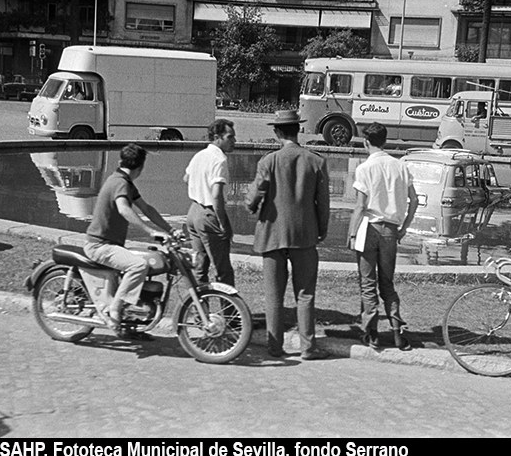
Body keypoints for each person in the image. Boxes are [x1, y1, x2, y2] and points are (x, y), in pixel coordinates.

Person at [245, 109, 331, 360]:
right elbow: (323, 204)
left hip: (272, 234)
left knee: (274, 296)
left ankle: (274, 347)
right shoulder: (316, 161)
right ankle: (308, 347)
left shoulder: (268, 161)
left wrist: (251, 205)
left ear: (277, 132)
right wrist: (321, 229)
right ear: (298, 130)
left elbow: (254, 196)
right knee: (305, 294)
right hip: (304, 234)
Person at [83, 143, 178, 339]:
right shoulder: (120, 183)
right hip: (100, 245)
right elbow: (124, 209)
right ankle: (115, 309)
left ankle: (132, 322)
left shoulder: (123, 181)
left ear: (121, 161)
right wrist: (150, 232)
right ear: (140, 167)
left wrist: (170, 230)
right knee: (138, 265)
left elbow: (147, 209)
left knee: (144, 262)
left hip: (109, 244)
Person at [347, 122, 418, 350]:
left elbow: (360, 206)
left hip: (369, 227)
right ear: (385, 141)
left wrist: (352, 233)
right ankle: (397, 331)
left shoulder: (364, 168)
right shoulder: (401, 166)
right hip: (391, 229)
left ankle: (372, 333)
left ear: (366, 142)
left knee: (368, 283)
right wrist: (404, 227)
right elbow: (414, 200)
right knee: (387, 282)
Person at [183, 119, 237, 286]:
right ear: (216, 137)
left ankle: (198, 302)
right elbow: (216, 195)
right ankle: (229, 303)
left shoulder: (199, 155)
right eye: (230, 137)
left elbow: (186, 178)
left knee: (200, 268)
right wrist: (223, 223)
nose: (234, 141)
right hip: (209, 215)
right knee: (223, 269)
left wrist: (199, 187)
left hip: (193, 212)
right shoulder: (219, 160)